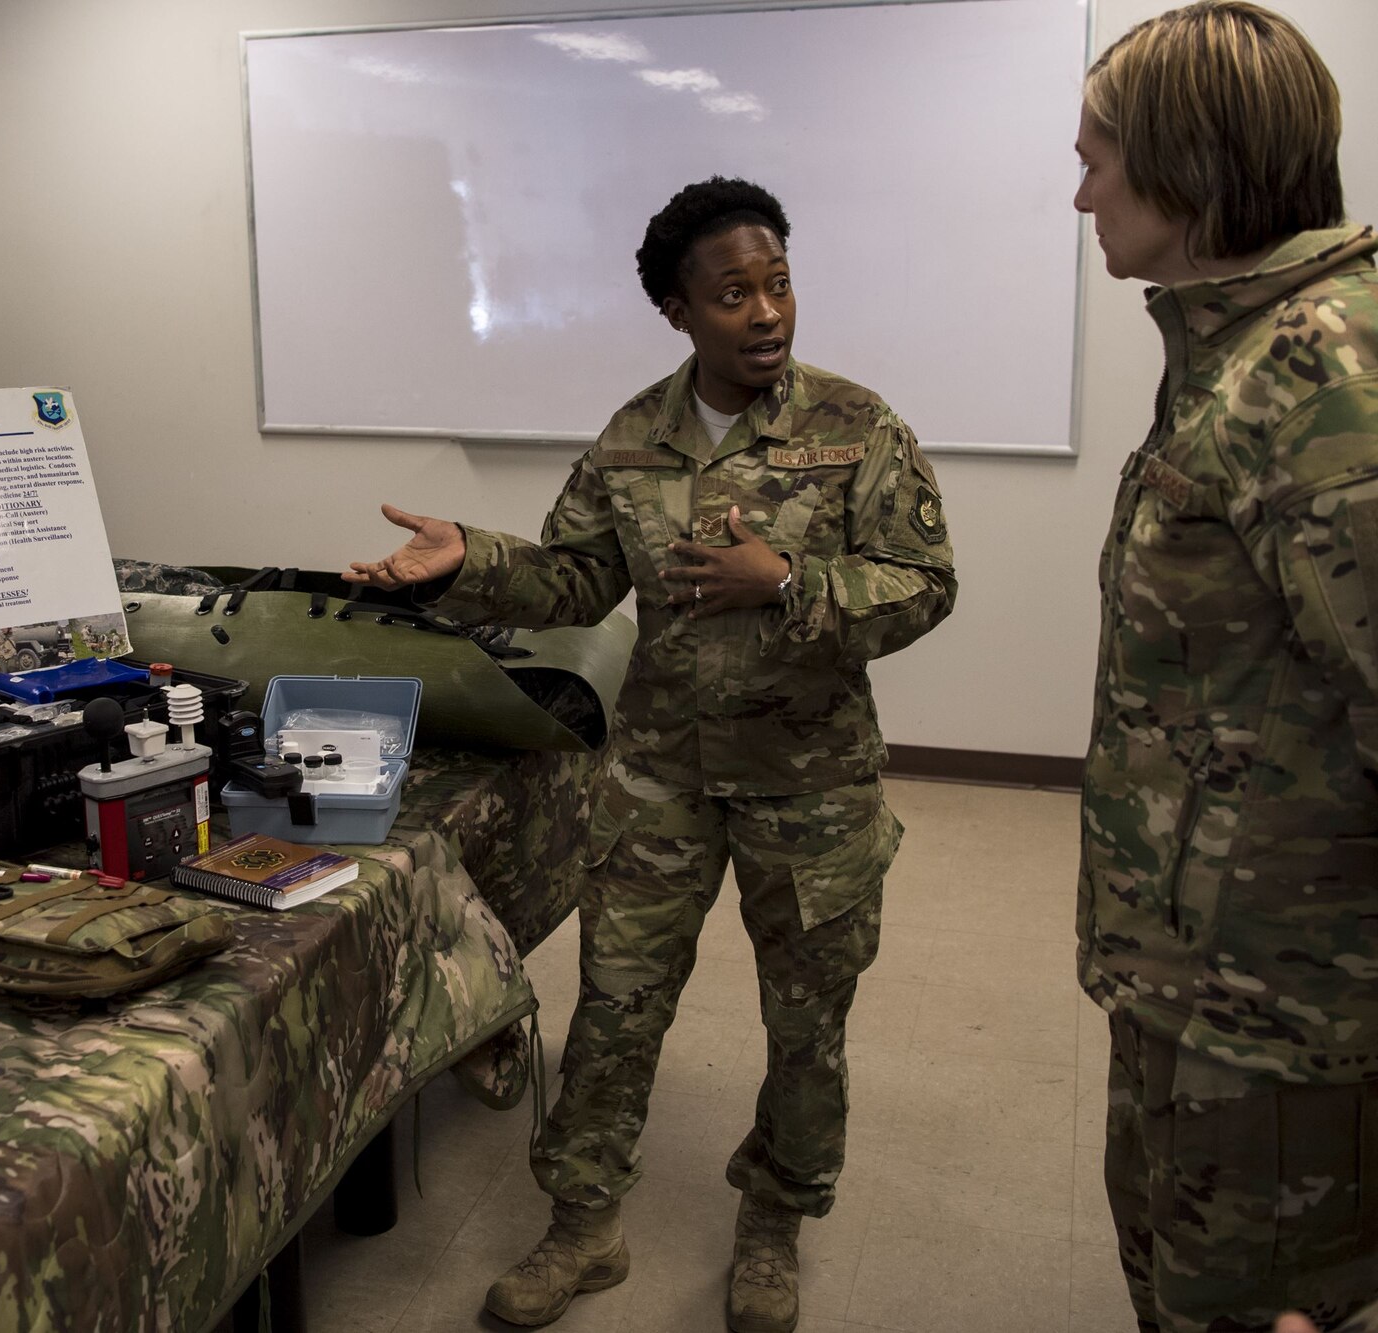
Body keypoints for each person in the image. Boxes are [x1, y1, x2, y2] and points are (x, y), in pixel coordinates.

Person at [344, 178, 956, 1331]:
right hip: (658, 775)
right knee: (618, 1005)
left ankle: (772, 1224)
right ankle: (583, 1225)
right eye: (732, 293)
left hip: (808, 782)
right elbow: (576, 579)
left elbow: (926, 585)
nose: (765, 312)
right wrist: (467, 559)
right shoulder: (631, 439)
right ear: (678, 310)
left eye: (777, 283)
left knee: (803, 1021)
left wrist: (787, 584)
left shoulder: (856, 429)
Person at [1072, 5, 1378, 1330]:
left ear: (1187, 165)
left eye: (1100, 156)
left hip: (1288, 1024)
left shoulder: (1324, 377)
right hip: (1205, 986)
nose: (1080, 190)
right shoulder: (1237, 353)